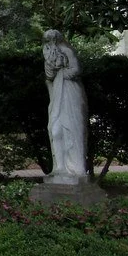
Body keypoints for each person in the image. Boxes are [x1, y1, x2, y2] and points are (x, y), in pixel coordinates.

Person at [43, 29, 89, 180]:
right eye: (47, 41)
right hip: (57, 91)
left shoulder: (67, 51)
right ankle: (59, 167)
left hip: (70, 92)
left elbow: (76, 70)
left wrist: (62, 73)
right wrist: (53, 71)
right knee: (55, 129)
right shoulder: (49, 54)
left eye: (51, 40)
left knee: (71, 128)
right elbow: (49, 76)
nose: (50, 44)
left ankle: (75, 167)